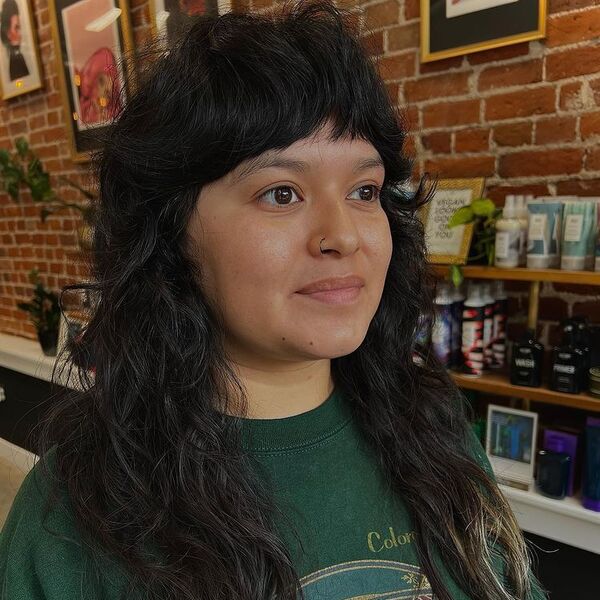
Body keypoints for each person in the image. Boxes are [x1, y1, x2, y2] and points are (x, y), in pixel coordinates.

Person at [0, 1, 549, 599]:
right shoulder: (77, 510)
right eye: (282, 193)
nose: (342, 235)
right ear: (172, 233)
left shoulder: (433, 426)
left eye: (364, 190)